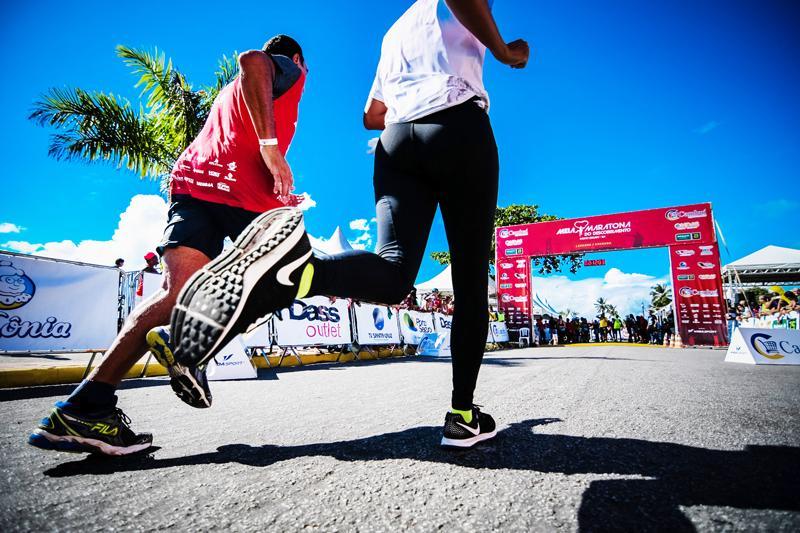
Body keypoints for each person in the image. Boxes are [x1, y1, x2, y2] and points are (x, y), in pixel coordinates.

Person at [168, 0, 529, 449]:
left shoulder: (394, 31)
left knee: (395, 273)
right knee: (471, 278)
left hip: (396, 142)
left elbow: (371, 115)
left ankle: (307, 273)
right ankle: (462, 414)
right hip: (457, 125)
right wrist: (503, 51)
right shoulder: (442, 10)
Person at [28, 35, 310, 455]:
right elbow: (252, 59)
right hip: (239, 193)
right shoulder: (288, 68)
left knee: (175, 294)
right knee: (296, 276)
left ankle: (86, 406)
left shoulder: (233, 97)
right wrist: (272, 151)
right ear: (299, 59)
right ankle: (188, 346)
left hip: (195, 186)